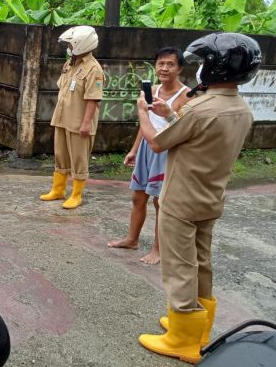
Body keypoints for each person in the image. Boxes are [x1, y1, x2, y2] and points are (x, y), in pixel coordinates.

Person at [136, 33, 261, 363]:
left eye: (205, 63)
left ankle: (181, 339)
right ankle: (198, 327)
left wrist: (144, 114)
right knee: (201, 262)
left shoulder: (201, 107)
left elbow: (158, 142)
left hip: (181, 198)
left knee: (179, 265)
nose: (202, 69)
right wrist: (170, 112)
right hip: (210, 197)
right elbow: (202, 136)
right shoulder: (241, 109)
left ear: (216, 68)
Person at [107, 47, 191, 264]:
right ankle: (132, 239)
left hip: (166, 152)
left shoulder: (187, 96)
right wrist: (134, 150)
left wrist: (169, 113)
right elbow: (144, 124)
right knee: (138, 198)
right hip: (146, 148)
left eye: (170, 64)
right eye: (161, 63)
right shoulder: (151, 90)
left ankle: (158, 249)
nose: (164, 68)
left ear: (180, 68)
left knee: (160, 203)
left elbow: (185, 130)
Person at [41, 25, 104, 209]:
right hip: (62, 118)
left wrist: (86, 124)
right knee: (60, 154)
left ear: (81, 44)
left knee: (79, 158)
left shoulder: (94, 69)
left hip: (79, 122)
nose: (68, 47)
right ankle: (58, 189)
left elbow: (93, 98)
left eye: (70, 44)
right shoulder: (69, 63)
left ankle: (76, 195)